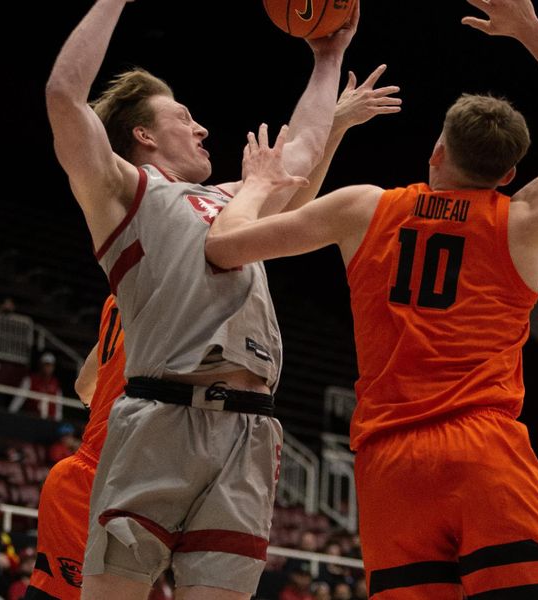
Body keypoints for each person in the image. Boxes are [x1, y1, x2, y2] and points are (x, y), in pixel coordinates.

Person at [205, 0, 538, 597]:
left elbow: (224, 247)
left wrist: (256, 186)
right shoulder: (523, 220)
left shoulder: (364, 208)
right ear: (506, 175)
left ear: (437, 153)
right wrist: (530, 29)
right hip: (483, 449)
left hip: (388, 461)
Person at [43, 0, 397, 596]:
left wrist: (328, 56)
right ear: (144, 134)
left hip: (251, 431)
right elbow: (62, 95)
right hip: (162, 418)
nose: (202, 127)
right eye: (184, 117)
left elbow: (303, 156)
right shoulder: (125, 193)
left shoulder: (236, 198)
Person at [25, 295, 126, 600]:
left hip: (87, 474)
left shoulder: (119, 298)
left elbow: (84, 386)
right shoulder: (183, 300)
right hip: (105, 481)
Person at [8, 353, 63, 421]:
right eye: (46, 365)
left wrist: (57, 422)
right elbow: (18, 400)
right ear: (40, 365)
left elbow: (58, 407)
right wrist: (10, 415)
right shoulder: (30, 380)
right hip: (32, 418)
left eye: (50, 365)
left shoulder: (55, 383)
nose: (48, 368)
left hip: (50, 421)